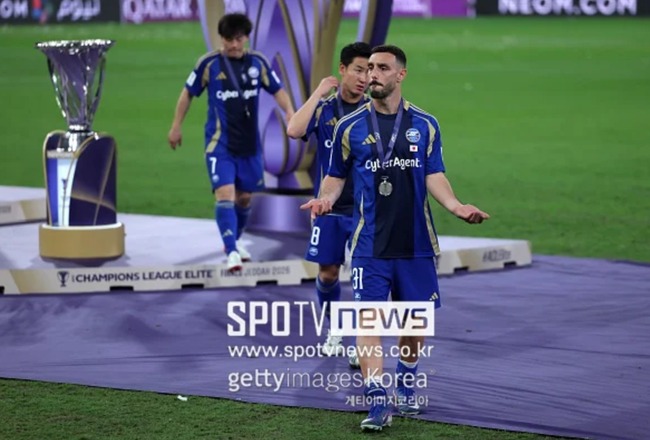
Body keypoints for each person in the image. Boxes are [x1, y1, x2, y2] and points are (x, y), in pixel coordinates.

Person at [301, 45, 489, 431]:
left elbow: (434, 173)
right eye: (370, 67)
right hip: (369, 244)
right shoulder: (349, 126)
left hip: (416, 243)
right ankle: (376, 400)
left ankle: (405, 381)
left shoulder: (426, 124)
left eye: (383, 68)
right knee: (368, 323)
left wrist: (455, 206)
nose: (373, 74)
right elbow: (335, 176)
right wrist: (325, 199)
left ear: (400, 75)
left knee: (414, 324)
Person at [168, 13, 295, 272]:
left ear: (246, 38)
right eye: (228, 39)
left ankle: (233, 242)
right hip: (219, 144)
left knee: (245, 198)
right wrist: (176, 126)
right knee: (225, 193)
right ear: (221, 38)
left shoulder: (258, 62)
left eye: (238, 39)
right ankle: (232, 252)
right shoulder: (209, 64)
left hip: (249, 145)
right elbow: (187, 93)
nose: (233, 45)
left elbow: (278, 90)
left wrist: (291, 113)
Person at [286, 42, 371, 367]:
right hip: (328, 207)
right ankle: (335, 329)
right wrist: (318, 93)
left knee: (366, 277)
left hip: (365, 209)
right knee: (328, 273)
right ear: (343, 69)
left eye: (369, 71)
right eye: (359, 70)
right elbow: (294, 129)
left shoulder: (373, 111)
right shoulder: (324, 110)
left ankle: (362, 342)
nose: (364, 78)